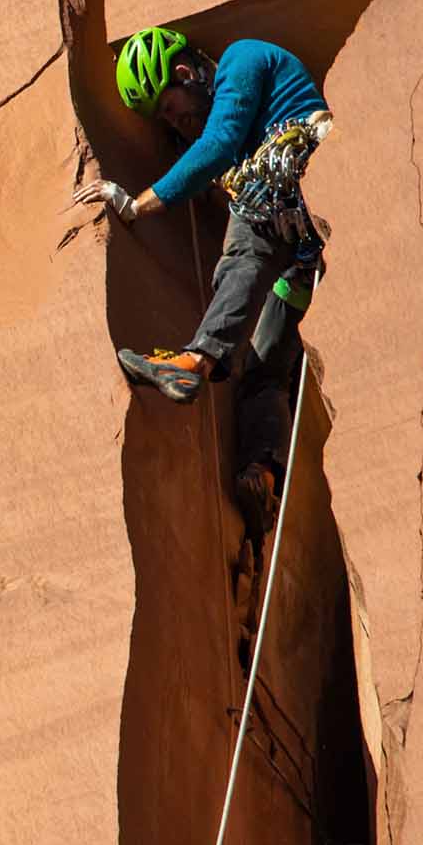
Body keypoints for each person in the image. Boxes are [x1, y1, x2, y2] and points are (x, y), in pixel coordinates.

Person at [71, 27, 333, 539]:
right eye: (166, 119)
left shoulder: (243, 59)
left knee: (248, 210)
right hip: (295, 248)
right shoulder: (215, 117)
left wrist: (137, 203)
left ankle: (195, 359)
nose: (176, 121)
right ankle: (263, 472)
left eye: (171, 106)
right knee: (263, 363)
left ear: (187, 73)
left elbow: (219, 143)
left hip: (299, 161)